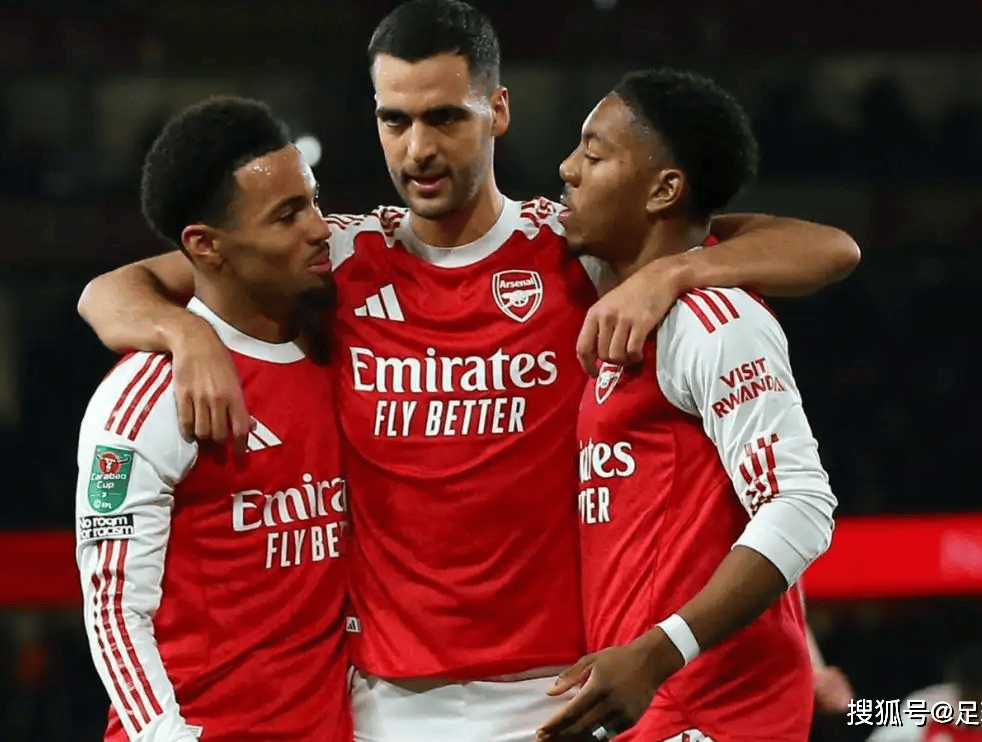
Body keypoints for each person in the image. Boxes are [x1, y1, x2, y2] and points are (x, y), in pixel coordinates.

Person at [77, 2, 860, 738]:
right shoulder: (338, 255)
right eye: (395, 119)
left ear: (498, 111)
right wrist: (183, 332)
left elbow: (827, 248)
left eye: (446, 116)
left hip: (556, 691)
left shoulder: (575, 248)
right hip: (384, 703)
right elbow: (113, 290)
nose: (418, 147)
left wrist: (680, 271)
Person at [539, 69, 837, 742]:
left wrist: (658, 652)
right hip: (659, 706)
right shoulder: (632, 312)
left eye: (593, 154)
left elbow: (800, 505)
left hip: (716, 712)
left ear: (665, 189)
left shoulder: (716, 321)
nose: (567, 168)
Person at [75, 96, 351, 742]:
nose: (320, 229)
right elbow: (114, 610)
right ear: (206, 246)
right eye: (287, 215)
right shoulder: (147, 396)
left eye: (314, 201)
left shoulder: (342, 345)